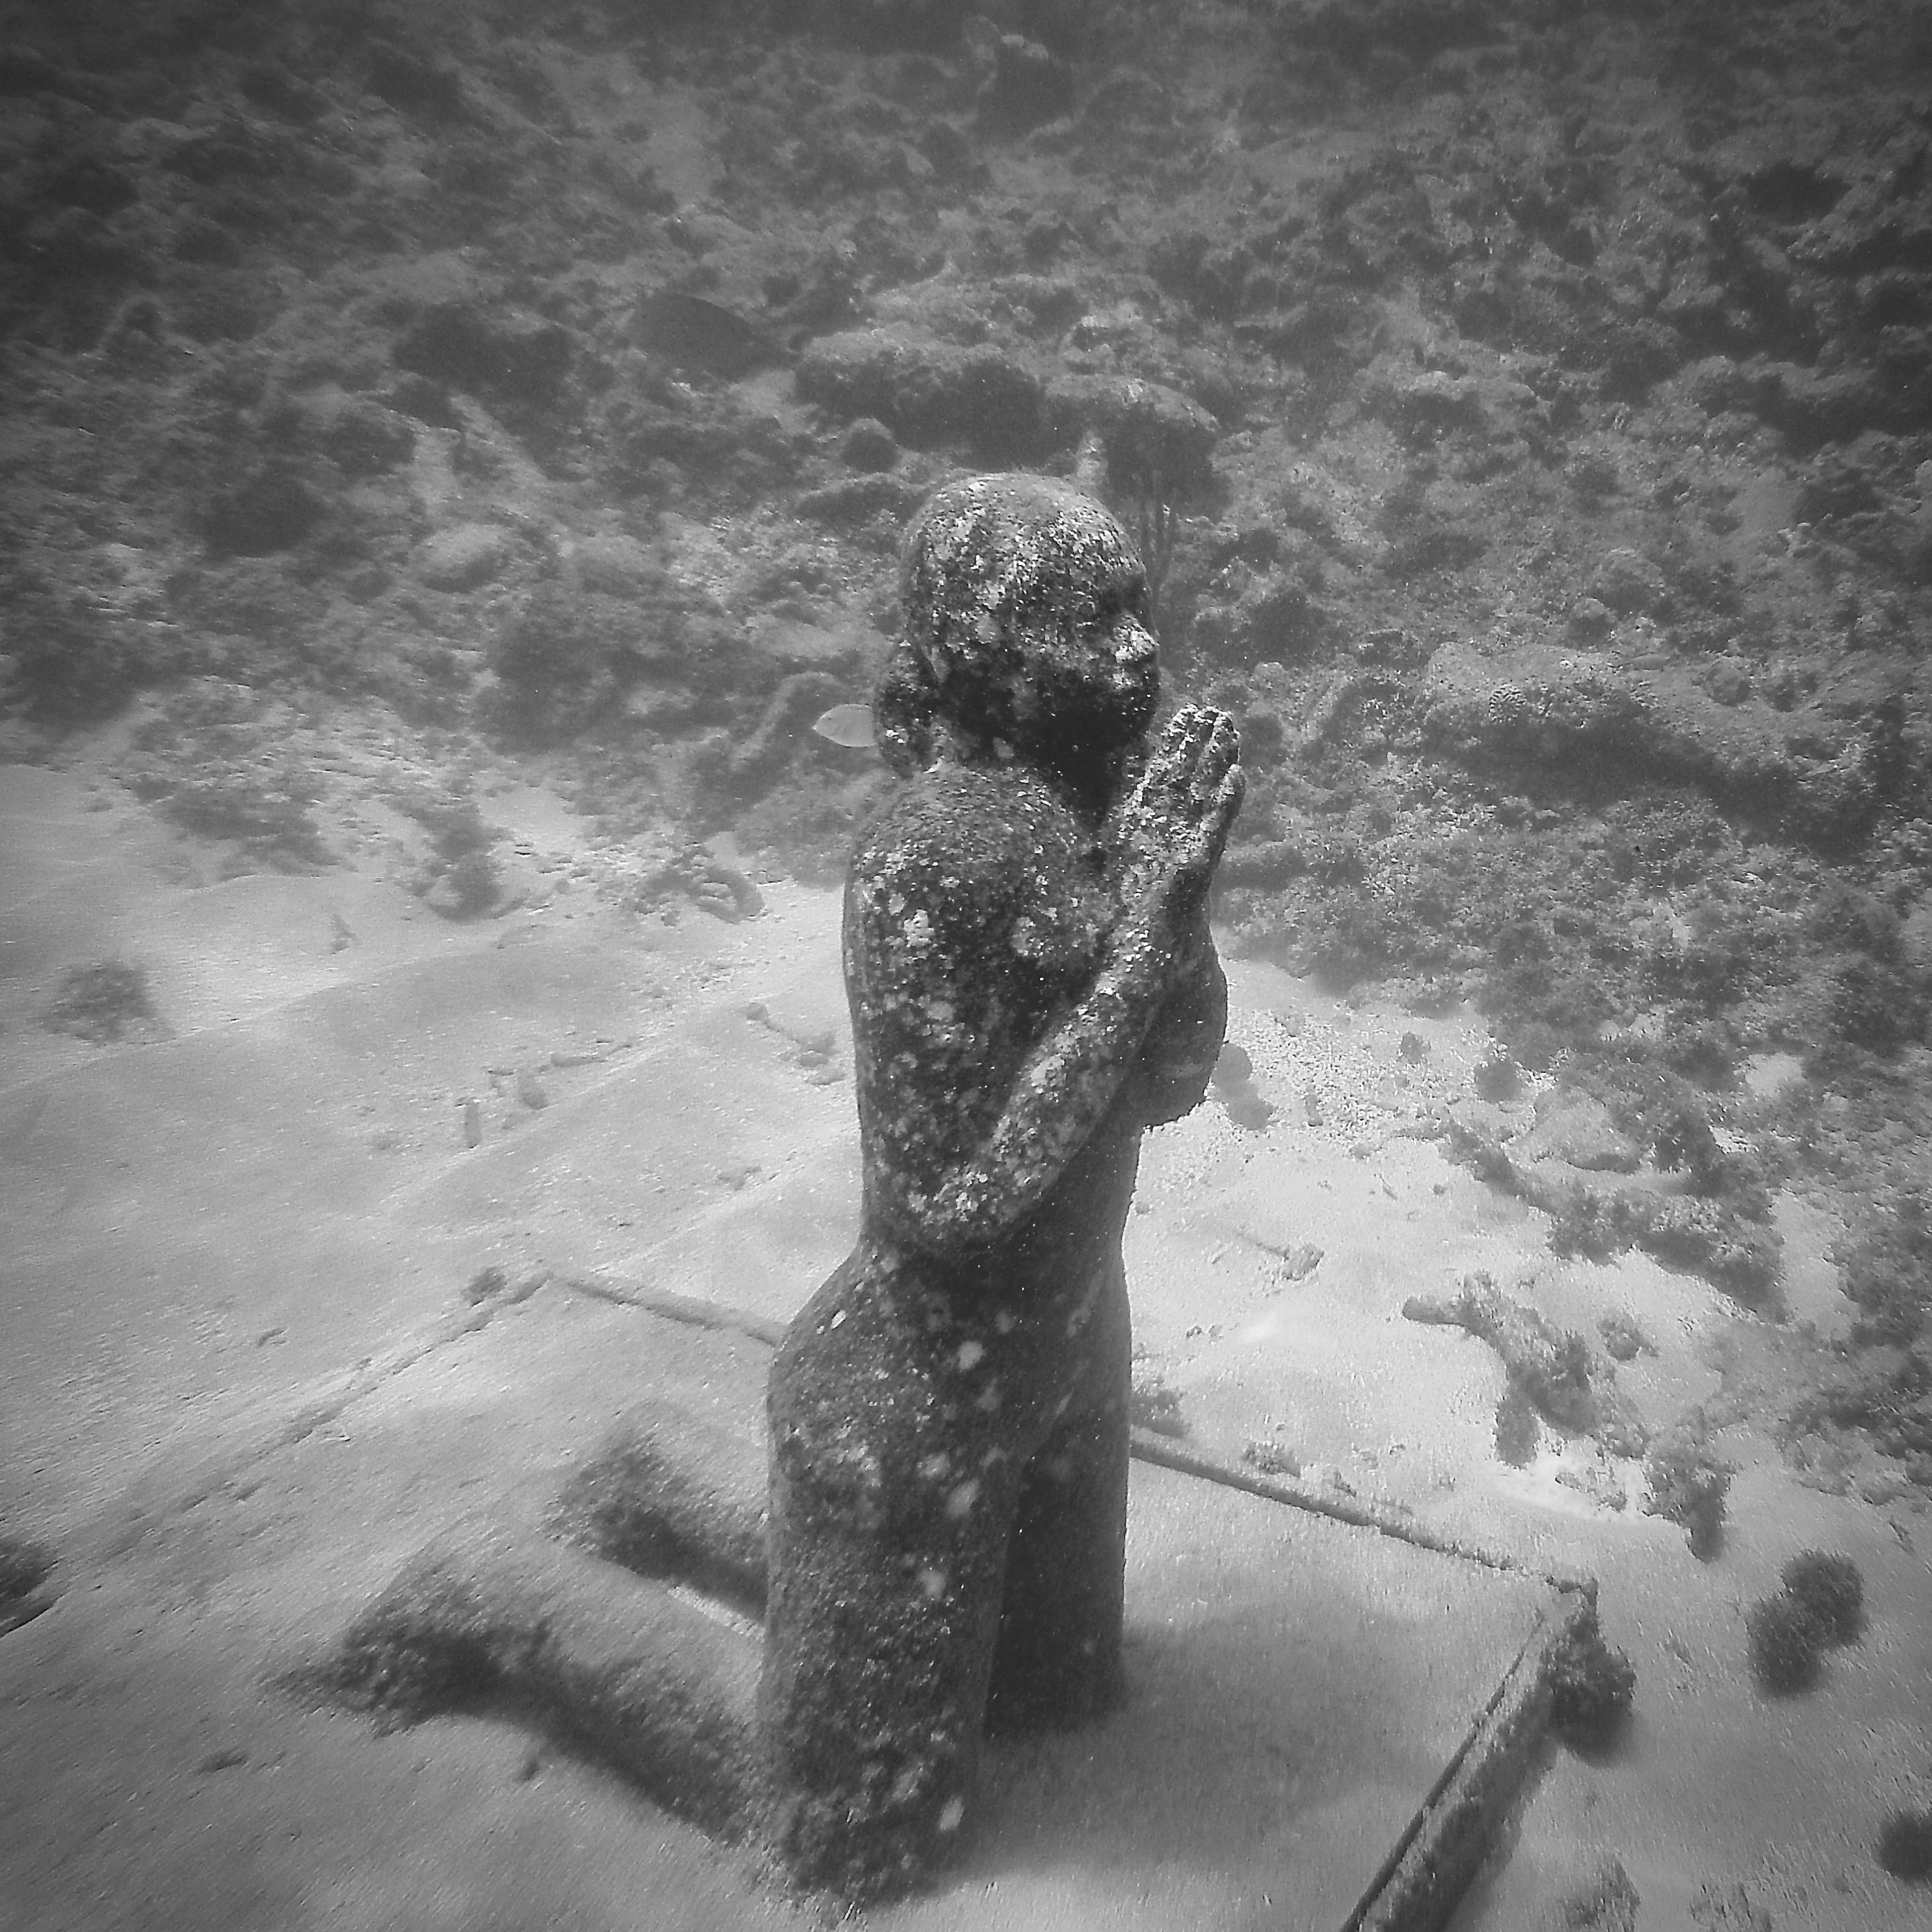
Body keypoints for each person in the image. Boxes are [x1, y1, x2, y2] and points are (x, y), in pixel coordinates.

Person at [759, 472, 1244, 1898]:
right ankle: (550, 1584)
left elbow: (1167, 1079)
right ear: (982, 652)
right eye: (1089, 621)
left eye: (1136, 610)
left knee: (1060, 1696)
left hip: (1070, 1342)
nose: (1138, 651)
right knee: (853, 1842)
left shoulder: (1089, 815)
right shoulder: (925, 857)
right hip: (913, 1392)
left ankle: (766, 1559)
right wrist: (1144, 934)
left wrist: (1172, 898)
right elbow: (949, 1204)